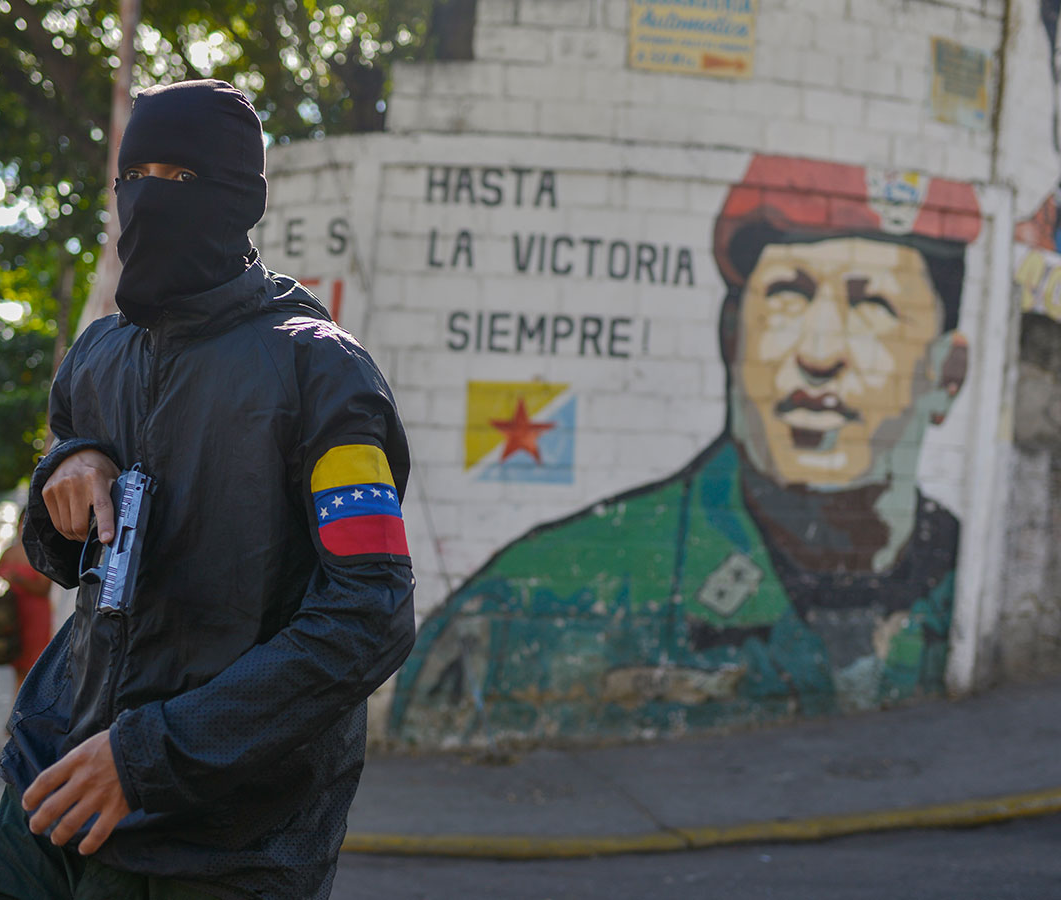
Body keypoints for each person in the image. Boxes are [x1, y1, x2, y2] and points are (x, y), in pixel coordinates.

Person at [0, 79, 415, 900]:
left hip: (221, 840)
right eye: (135, 176)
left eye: (180, 177)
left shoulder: (322, 371)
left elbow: (370, 612)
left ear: (241, 199)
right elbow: (63, 553)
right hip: (54, 778)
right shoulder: (96, 355)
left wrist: (148, 758)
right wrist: (66, 470)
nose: (149, 198)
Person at [390, 154, 982, 745]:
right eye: (788, 295)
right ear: (732, 337)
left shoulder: (967, 587)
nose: (819, 353)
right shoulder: (526, 606)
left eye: (872, 305)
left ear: (948, 374)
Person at [0, 511, 54, 735]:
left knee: (24, 668)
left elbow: (44, 589)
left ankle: (15, 719)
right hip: (7, 616)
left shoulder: (43, 552)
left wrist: (18, 579)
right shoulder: (9, 552)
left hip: (34, 616)